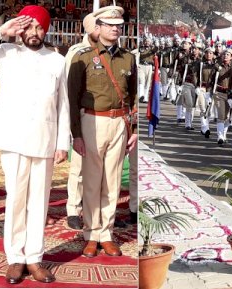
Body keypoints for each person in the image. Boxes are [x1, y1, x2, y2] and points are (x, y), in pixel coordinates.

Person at [0, 6, 69, 283]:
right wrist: (0, 32)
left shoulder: (57, 61)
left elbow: (63, 106)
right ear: (20, 29)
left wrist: (62, 143)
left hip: (45, 140)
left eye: (39, 27)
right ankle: (15, 258)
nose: (34, 33)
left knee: (39, 203)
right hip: (13, 139)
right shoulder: (5, 53)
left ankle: (34, 258)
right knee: (16, 200)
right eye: (28, 27)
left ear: (46, 30)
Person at [68, 6, 136, 259]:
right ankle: (91, 234)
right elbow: (72, 98)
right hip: (91, 122)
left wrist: (135, 129)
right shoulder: (82, 57)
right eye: (109, 24)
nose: (116, 28)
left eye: (118, 24)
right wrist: (75, 134)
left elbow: (134, 95)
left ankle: (106, 233)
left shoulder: (128, 59)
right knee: (92, 181)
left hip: (118, 123)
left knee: (113, 181)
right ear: (98, 28)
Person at [62, 6, 104, 230]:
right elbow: (70, 87)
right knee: (78, 164)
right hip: (82, 113)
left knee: (101, 165)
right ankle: (72, 208)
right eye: (100, 25)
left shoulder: (112, 50)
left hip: (105, 116)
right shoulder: (77, 52)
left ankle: (94, 206)